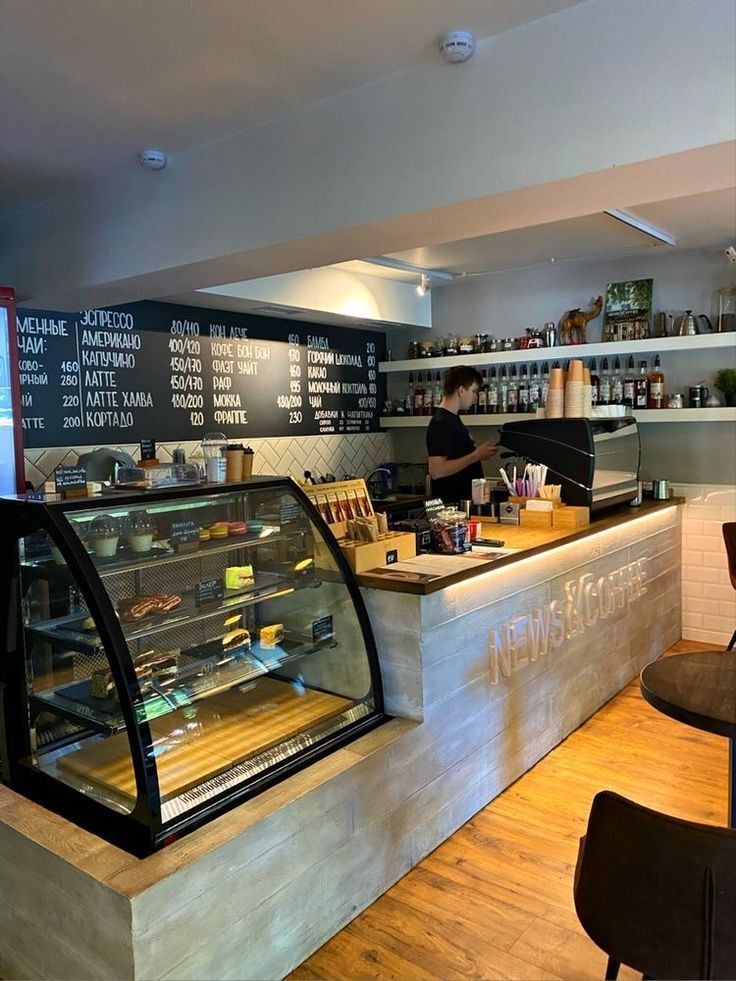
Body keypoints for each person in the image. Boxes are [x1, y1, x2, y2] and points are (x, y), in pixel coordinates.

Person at [426, 365, 498, 503]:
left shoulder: (452, 419)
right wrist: (476, 455)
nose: (475, 397)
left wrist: (477, 454)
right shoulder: (441, 423)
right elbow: (437, 470)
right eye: (474, 391)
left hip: (461, 505)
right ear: (460, 390)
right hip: (451, 509)